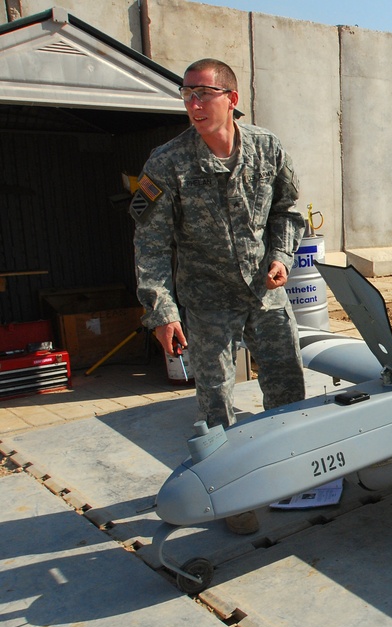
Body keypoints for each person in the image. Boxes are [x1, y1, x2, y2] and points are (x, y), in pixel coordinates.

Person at [130, 58, 307, 534]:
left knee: (287, 388)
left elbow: (289, 212)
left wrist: (282, 257)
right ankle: (232, 494)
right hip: (207, 302)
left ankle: (285, 473)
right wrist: (162, 311)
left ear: (231, 98)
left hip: (264, 294)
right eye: (187, 94)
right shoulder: (166, 162)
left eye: (203, 94)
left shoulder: (268, 148)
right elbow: (150, 245)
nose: (193, 103)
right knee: (215, 402)